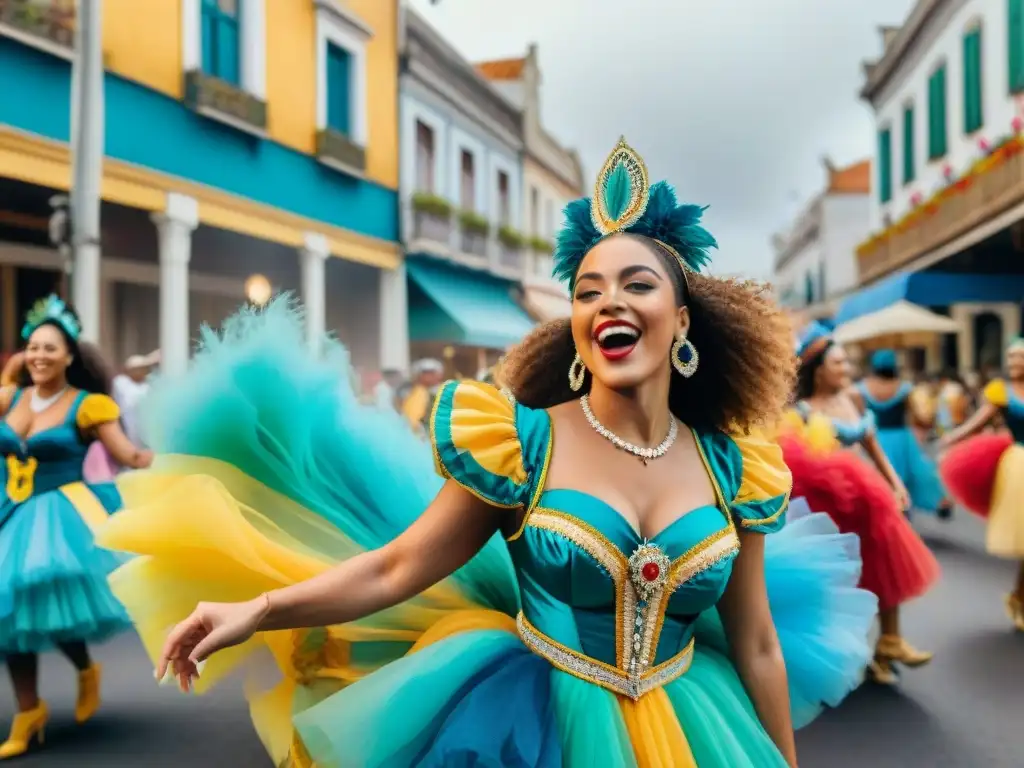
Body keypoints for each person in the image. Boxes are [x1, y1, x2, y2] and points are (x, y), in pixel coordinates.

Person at [97, 139, 876, 767]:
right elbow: (396, 569)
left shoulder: (734, 466)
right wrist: (259, 609)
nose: (609, 301)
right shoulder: (519, 443)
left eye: (637, 285)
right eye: (587, 291)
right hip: (534, 725)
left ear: (681, 321)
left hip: (695, 724)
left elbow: (758, 643)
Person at [0, 295, 153, 758]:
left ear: (69, 356)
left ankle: (86, 670)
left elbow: (129, 455)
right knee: (8, 616)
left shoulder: (89, 406)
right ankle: (29, 712)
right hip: (9, 510)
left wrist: (174, 458)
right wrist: (9, 376)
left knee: (54, 605)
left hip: (59, 518)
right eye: (33, 347)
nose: (39, 356)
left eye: (50, 348)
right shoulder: (9, 398)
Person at [777, 324, 940, 686]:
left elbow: (872, 445)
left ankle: (891, 642)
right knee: (837, 582)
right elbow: (791, 462)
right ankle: (836, 652)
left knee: (886, 561)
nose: (846, 369)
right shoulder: (800, 411)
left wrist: (895, 483)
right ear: (818, 369)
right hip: (825, 507)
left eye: (846, 363)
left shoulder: (853, 399)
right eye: (838, 363)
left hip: (866, 497)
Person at [938, 337, 1024, 631]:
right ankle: (1019, 598)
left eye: (1020, 357)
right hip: (1018, 467)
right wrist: (951, 439)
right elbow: (977, 422)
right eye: (1010, 358)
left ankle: (1019, 596)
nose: (1014, 363)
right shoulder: (1001, 392)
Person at [851, 350, 950, 518]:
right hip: (902, 440)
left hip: (876, 438)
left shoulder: (862, 389)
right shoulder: (904, 388)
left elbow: (858, 418)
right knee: (907, 479)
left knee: (879, 481)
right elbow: (918, 416)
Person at [111, 352, 158, 448]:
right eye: (138, 369)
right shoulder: (121, 382)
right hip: (125, 427)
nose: (141, 372)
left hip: (145, 430)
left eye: (144, 369)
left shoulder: (148, 386)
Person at [400, 358, 443, 434]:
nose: (427, 377)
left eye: (431, 373)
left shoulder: (445, 392)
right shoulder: (412, 392)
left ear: (439, 375)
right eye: (424, 373)